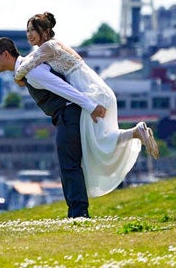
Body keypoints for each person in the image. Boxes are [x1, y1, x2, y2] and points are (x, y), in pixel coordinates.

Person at [14, 12, 159, 199]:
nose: (29, 34)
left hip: (91, 92)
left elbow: (26, 65)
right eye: (27, 30)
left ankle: (136, 132)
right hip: (96, 89)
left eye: (33, 30)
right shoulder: (53, 46)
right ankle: (136, 133)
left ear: (46, 31)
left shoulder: (48, 46)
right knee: (99, 140)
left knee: (97, 144)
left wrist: (17, 77)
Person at [0, 37, 104, 218]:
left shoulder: (32, 72)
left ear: (5, 54)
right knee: (68, 164)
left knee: (69, 165)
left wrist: (90, 106)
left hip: (68, 114)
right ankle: (76, 211)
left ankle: (78, 213)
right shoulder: (25, 70)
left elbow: (62, 88)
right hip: (65, 116)